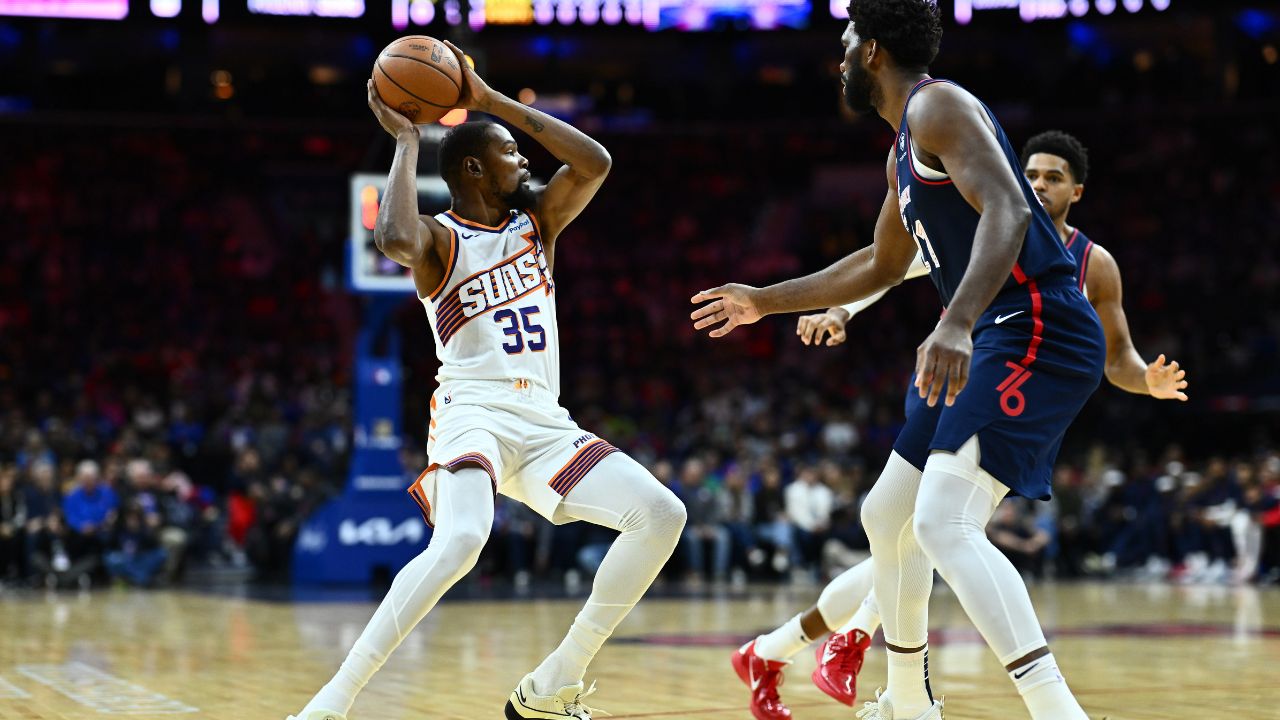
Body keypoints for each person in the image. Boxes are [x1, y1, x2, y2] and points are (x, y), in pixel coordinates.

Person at [694, 1, 1147, 716]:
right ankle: (909, 703)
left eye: (845, 42)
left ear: (871, 51)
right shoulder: (902, 147)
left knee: (943, 521)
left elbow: (1010, 208)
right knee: (887, 516)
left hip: (1037, 325)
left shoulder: (939, 104)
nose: (837, 56)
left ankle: (1057, 710)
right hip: (998, 329)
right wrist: (763, 300)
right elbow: (881, 263)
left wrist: (957, 322)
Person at [731, 129, 1191, 720]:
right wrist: (841, 308)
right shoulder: (986, 220)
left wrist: (1145, 380)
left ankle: (836, 653)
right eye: (1032, 172)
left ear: (1077, 190)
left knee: (923, 528)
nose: (1040, 183)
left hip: (1016, 377)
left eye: (1054, 176)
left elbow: (1118, 356)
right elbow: (895, 264)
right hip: (951, 370)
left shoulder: (1091, 263)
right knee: (903, 523)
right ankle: (847, 658)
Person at [288, 43, 685, 720]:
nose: (524, 158)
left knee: (662, 516)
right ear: (473, 167)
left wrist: (494, 102)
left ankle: (554, 683)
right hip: (473, 414)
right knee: (464, 540)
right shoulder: (440, 239)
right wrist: (410, 141)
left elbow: (597, 163)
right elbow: (390, 238)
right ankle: (333, 702)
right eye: (509, 148)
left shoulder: (539, 224)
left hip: (547, 424)